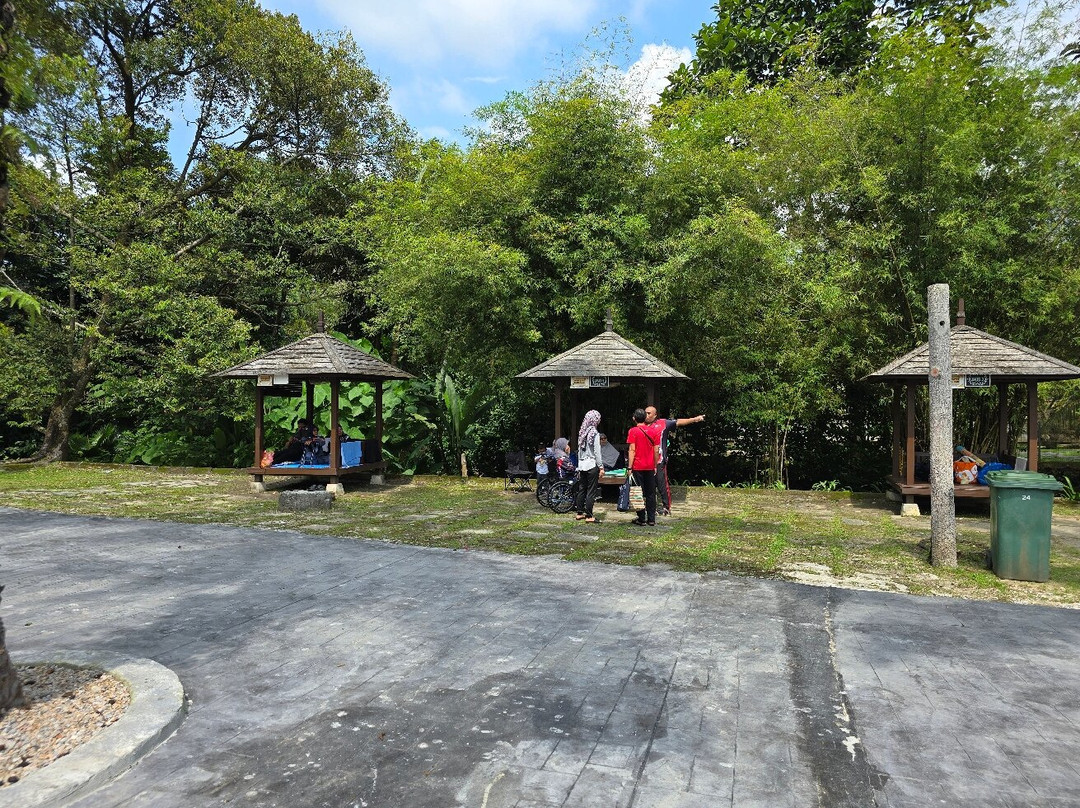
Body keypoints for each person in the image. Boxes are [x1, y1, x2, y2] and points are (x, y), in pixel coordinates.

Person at [645, 405, 705, 516]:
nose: (647, 415)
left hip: (659, 459)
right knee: (649, 484)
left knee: (661, 483)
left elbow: (678, 422)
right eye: (645, 413)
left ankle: (666, 507)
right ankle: (650, 506)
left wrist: (695, 419)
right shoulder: (642, 426)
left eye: (649, 413)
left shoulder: (663, 423)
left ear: (655, 415)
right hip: (646, 460)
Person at [626, 408, 659, 526]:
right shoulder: (653, 431)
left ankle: (641, 518)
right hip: (650, 466)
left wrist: (629, 467)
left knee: (637, 492)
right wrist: (655, 465)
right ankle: (651, 519)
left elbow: (632, 450)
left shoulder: (633, 431)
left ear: (634, 418)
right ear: (645, 418)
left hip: (637, 466)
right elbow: (656, 451)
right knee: (650, 493)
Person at [573, 410, 604, 523]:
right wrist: (601, 467)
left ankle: (579, 513)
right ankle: (589, 515)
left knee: (582, 489)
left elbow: (580, 451)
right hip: (591, 464)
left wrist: (580, 463)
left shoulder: (582, 432)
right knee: (591, 490)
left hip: (582, 464)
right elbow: (597, 452)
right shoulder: (594, 433)